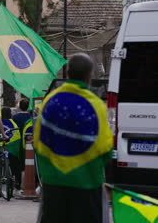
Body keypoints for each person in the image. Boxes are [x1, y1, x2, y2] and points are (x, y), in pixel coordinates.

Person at [34, 53, 113, 223]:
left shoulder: (50, 101)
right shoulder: (97, 105)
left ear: (68, 72)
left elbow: (39, 144)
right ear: (89, 75)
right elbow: (106, 149)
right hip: (88, 186)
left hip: (54, 185)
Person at [1, 107, 23, 195]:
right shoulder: (13, 123)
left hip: (1, 147)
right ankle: (17, 187)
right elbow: (17, 136)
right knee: (15, 167)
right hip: (12, 149)